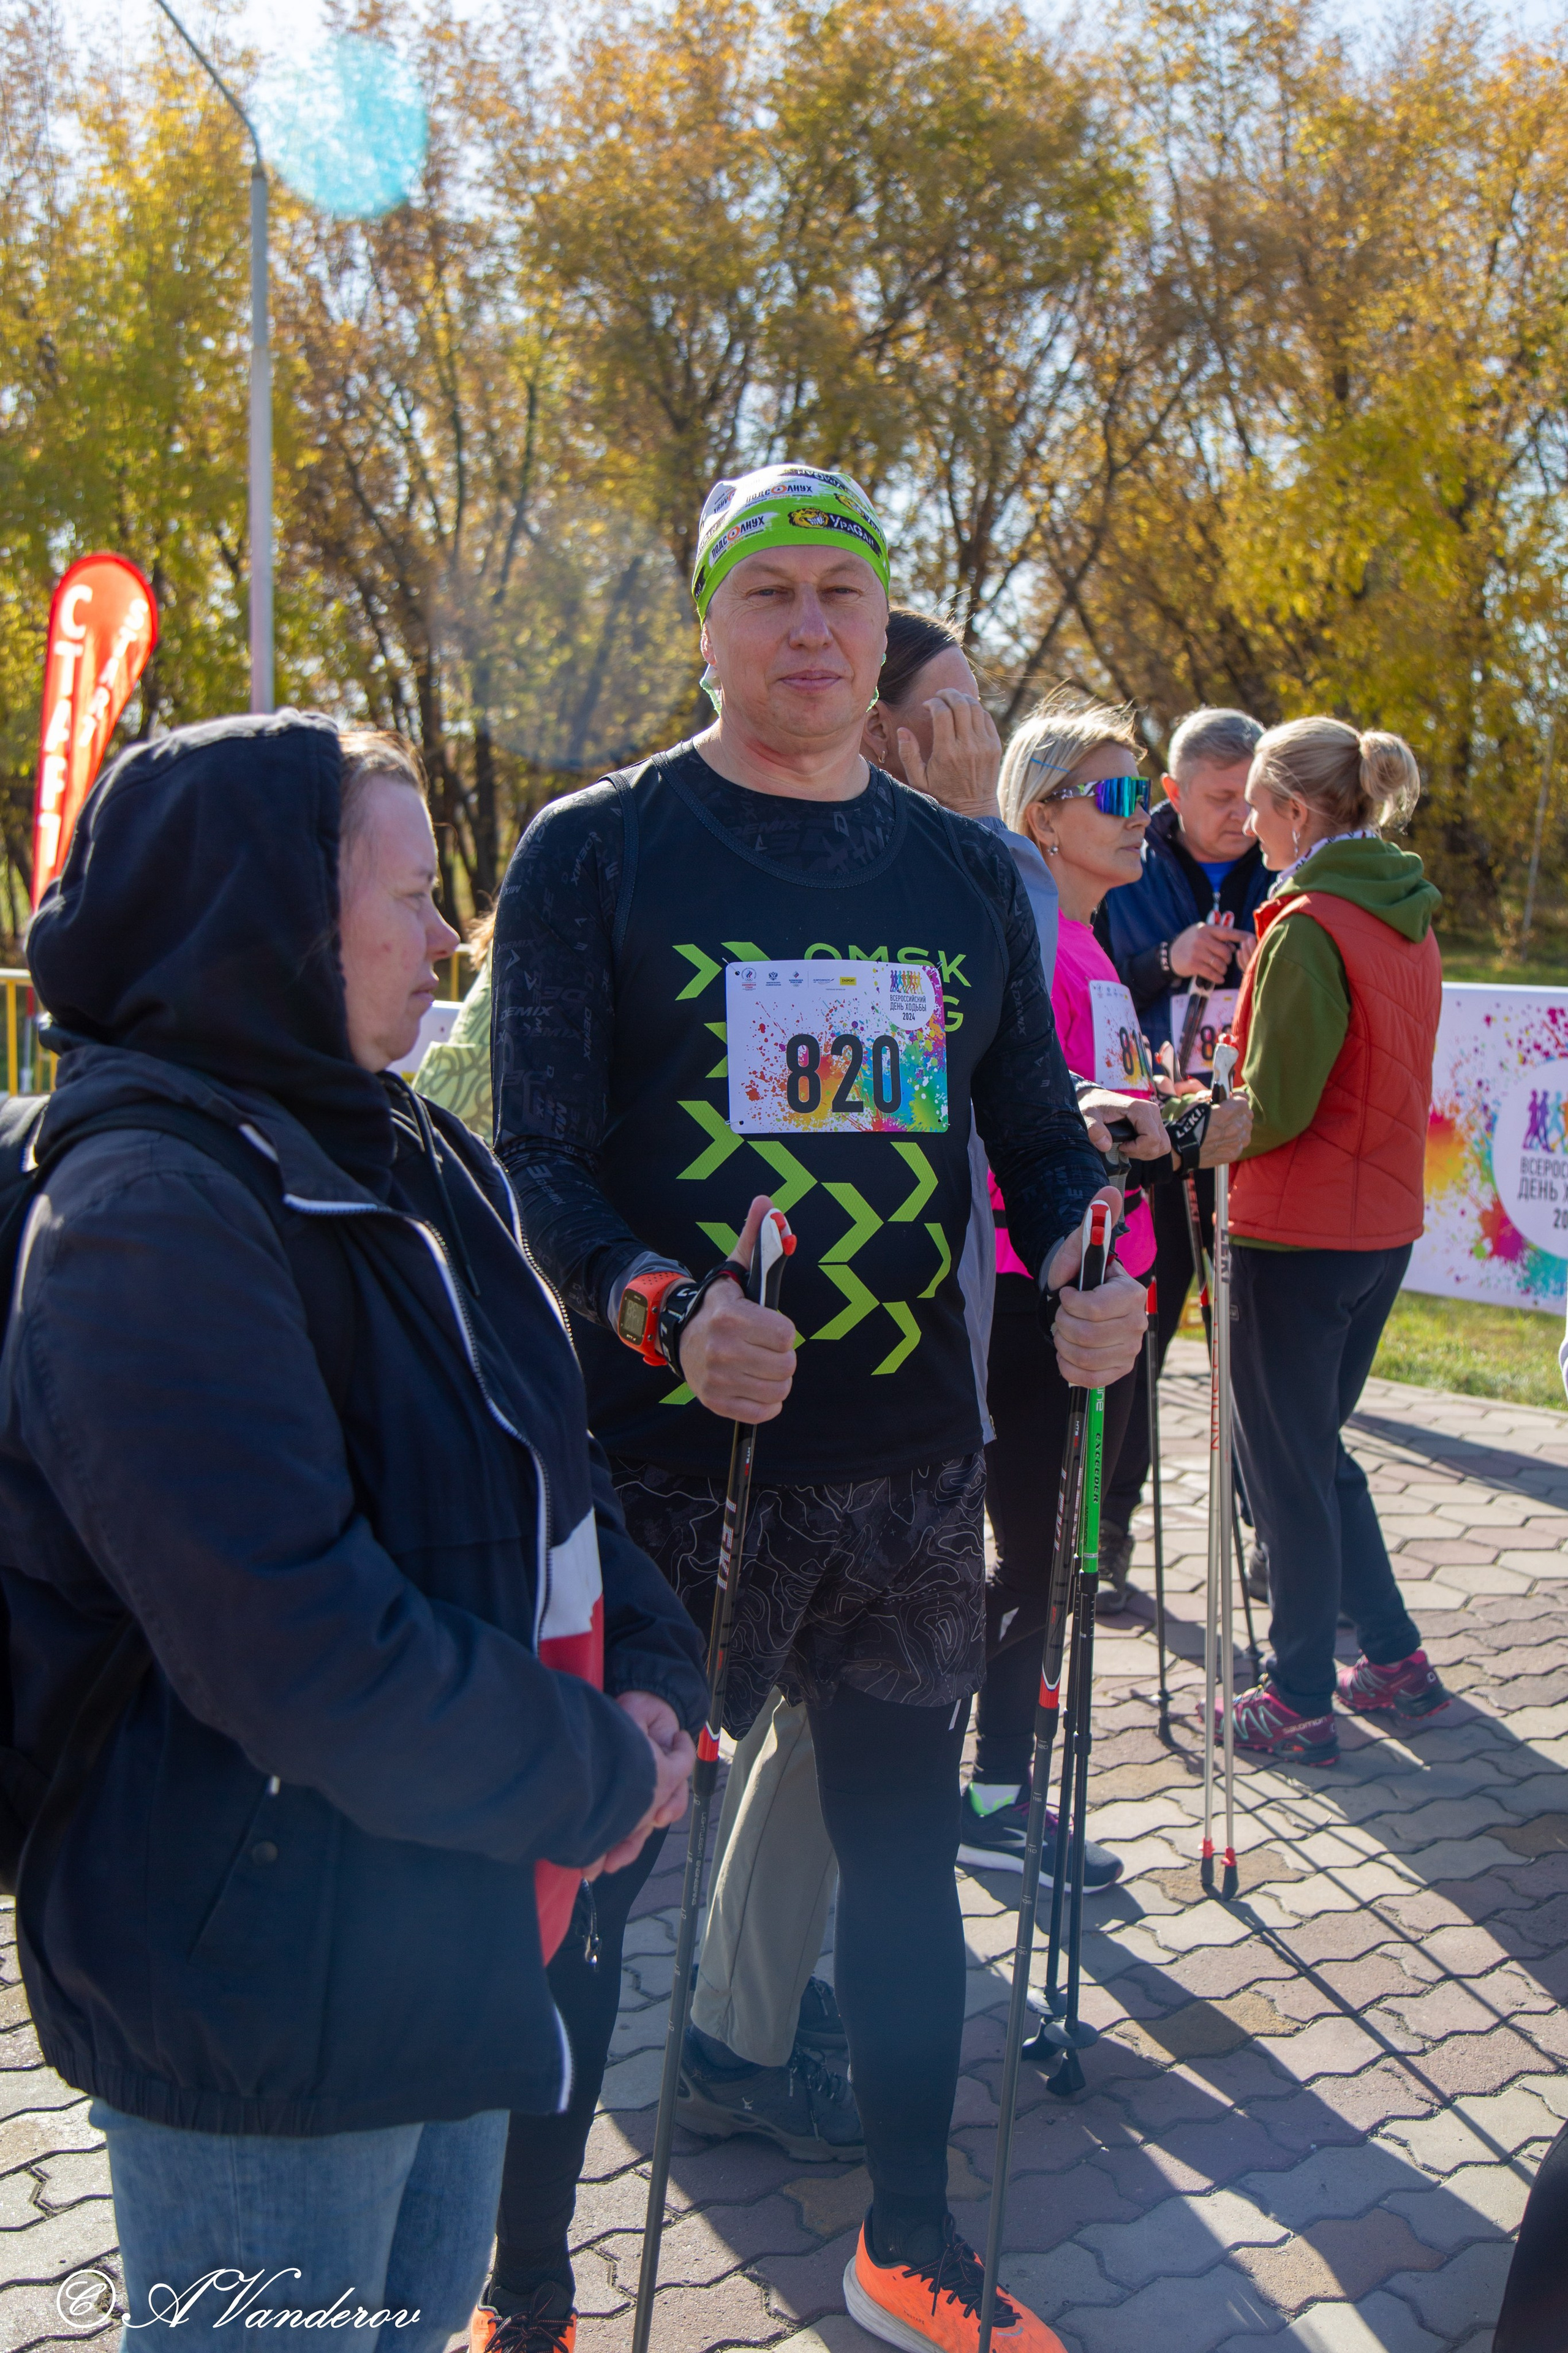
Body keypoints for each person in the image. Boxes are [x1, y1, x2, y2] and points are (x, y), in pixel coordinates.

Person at [489, 463, 1147, 2353]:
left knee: (902, 1863)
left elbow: (1030, 1138)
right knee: (597, 1892)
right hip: (674, 1469)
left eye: (842, 599)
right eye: (766, 592)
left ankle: (915, 2240)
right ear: (707, 619)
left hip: (907, 1472)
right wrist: (666, 1308)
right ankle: (525, 2290)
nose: (808, 630)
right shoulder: (596, 849)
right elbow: (536, 1155)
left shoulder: (958, 872)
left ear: (886, 627)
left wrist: (1093, 1278)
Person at [0, 715, 706, 2346]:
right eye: (414, 892)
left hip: (441, 1931)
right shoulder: (146, 1212)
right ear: (273, 919)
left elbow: (556, 1463)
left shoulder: (399, 1141)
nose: (452, 936)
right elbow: (295, 1642)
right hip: (264, 1995)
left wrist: (656, 1663)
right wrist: (598, 1770)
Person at [960, 692, 1252, 1865]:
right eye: (1118, 796)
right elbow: (1025, 1132)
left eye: (1147, 795)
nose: (1146, 819)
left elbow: (1110, 1099)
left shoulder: (1092, 946)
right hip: (1048, 1298)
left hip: (1109, 1289)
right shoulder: (1033, 947)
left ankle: (1002, 1787)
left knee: (1063, 1559)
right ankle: (989, 1799)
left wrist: (1183, 1112)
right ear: (1041, 816)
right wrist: (1153, 1128)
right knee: (1033, 1556)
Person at [1221, 716, 1450, 1764]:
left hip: (1299, 1230)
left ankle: (1297, 1693)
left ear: (1299, 810)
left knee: (1286, 1469)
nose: (1244, 821)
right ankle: (1393, 1656)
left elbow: (1277, 1106)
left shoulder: (1310, 924)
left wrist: (1190, 1117)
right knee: (1314, 1451)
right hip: (1375, 1228)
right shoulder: (1401, 911)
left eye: (1255, 803)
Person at [1095, 707, 1269, 1597]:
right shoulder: (1127, 848)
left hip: (1250, 1137)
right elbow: (1094, 967)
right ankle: (1109, 1537)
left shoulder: (1277, 855)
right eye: (1221, 798)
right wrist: (1169, 955)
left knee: (1252, 1342)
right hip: (1159, 1136)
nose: (1242, 815)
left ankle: (1270, 1531)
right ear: (1173, 792)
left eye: (1254, 797)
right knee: (1141, 1338)